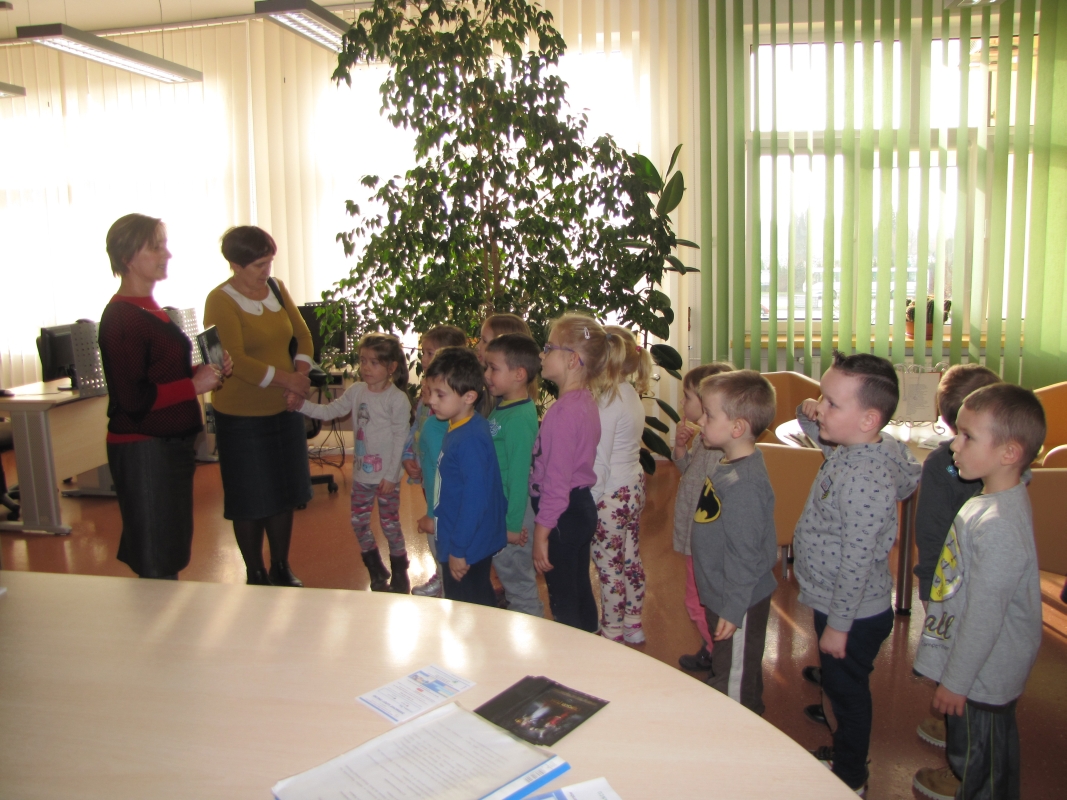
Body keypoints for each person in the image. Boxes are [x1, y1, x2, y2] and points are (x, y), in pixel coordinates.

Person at [794, 350, 920, 796]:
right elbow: (816, 428)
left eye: (831, 403)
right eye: (821, 396)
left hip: (850, 611)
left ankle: (851, 773)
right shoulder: (859, 445)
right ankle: (835, 711)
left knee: (849, 695)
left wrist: (839, 626)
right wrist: (809, 409)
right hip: (837, 602)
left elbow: (858, 560)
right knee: (841, 682)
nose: (820, 408)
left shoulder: (865, 478)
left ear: (868, 419)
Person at [912, 384, 1045, 800]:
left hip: (983, 674)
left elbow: (986, 616)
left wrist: (956, 682)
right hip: (976, 668)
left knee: (982, 764)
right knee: (976, 747)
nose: (955, 444)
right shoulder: (989, 497)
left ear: (1009, 452)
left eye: (968, 436)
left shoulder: (999, 524)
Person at [98, 213, 228, 580]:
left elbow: (163, 373)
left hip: (167, 446)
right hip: (144, 449)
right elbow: (133, 398)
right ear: (128, 257)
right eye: (156, 247)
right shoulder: (122, 317)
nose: (166, 254)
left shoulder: (149, 308)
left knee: (168, 548)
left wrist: (202, 372)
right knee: (156, 557)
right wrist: (195, 385)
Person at [204, 226, 314, 587]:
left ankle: (281, 565)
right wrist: (288, 381)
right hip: (242, 417)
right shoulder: (220, 300)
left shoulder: (277, 288)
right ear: (235, 265)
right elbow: (234, 359)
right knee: (250, 498)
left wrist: (300, 378)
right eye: (258, 265)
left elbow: (303, 335)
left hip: (284, 408)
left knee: (284, 493)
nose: (267, 271)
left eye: (269, 262)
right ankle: (255, 571)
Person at [910, 363, 1001, 757]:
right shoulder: (1008, 467)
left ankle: (962, 751)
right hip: (966, 582)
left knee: (959, 654)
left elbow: (929, 532)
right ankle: (955, 723)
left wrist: (929, 585)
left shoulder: (941, 465)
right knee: (967, 652)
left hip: (954, 583)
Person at [288, 333, 412, 592]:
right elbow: (329, 411)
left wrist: (391, 476)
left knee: (390, 525)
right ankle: (375, 568)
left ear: (391, 367)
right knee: (358, 522)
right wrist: (301, 406)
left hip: (386, 478)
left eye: (374, 362)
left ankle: (400, 571)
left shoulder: (396, 399)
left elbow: (401, 438)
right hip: (362, 476)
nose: (366, 367)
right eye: (363, 360)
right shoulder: (356, 391)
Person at [689, 370, 778, 713]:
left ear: (737, 427)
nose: (701, 421)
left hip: (738, 600)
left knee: (734, 679)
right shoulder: (730, 463)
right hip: (725, 593)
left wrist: (734, 607)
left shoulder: (744, 485)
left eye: (709, 415)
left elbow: (745, 554)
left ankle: (736, 726)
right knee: (736, 665)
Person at [530, 314, 607, 632]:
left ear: (573, 360)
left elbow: (556, 484)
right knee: (578, 587)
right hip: (580, 507)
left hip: (560, 516)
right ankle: (590, 641)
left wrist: (541, 534)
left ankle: (571, 655)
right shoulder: (585, 402)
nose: (542, 354)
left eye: (549, 348)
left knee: (563, 599)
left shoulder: (562, 414)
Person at [423, 346, 508, 605]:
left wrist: (458, 550)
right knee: (477, 602)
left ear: (469, 396)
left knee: (467, 609)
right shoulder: (462, 425)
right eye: (430, 392)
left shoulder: (469, 439)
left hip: (467, 546)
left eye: (440, 394)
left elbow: (475, 500)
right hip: (464, 538)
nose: (431, 401)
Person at [589, 326, 652, 643]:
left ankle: (612, 631)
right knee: (629, 559)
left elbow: (600, 461)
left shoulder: (607, 401)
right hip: (632, 488)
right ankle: (633, 624)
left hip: (610, 495)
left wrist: (589, 501)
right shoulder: (629, 394)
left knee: (609, 566)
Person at [673, 362, 735, 671]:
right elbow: (689, 473)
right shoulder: (704, 439)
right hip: (695, 537)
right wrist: (680, 448)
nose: (682, 403)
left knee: (697, 602)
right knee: (701, 599)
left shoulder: (717, 448)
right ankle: (712, 648)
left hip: (702, 540)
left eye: (687, 397)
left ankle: (716, 655)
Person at [403, 325, 469, 597]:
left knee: (442, 526)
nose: (424, 359)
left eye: (431, 353)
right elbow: (415, 428)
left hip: (444, 479)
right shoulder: (426, 395)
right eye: (424, 353)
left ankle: (450, 581)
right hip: (427, 475)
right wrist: (409, 455)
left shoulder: (451, 402)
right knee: (434, 527)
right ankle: (442, 576)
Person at [484, 333, 544, 617]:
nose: (487, 375)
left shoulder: (519, 419)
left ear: (519, 374)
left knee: (519, 584)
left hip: (513, 515)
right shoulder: (505, 408)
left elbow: (520, 477)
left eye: (493, 368)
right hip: (502, 509)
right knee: (511, 580)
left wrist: (511, 526)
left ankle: (531, 630)